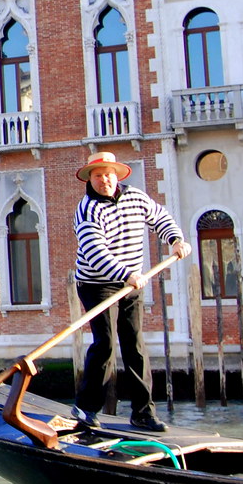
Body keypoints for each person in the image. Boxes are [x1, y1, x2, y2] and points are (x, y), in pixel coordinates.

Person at [71, 151, 191, 432]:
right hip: (97, 283)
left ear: (117, 175)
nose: (104, 180)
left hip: (132, 281)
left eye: (108, 174)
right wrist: (125, 275)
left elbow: (159, 216)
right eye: (98, 176)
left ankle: (143, 413)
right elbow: (94, 252)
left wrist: (174, 239)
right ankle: (85, 408)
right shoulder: (87, 209)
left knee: (135, 343)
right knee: (105, 344)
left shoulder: (136, 197)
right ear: (90, 179)